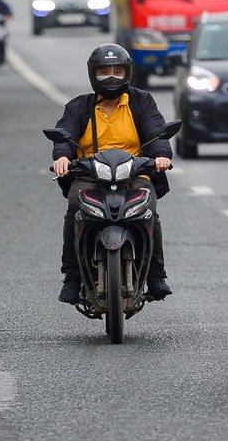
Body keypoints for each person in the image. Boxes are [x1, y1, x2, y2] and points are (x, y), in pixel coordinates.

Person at [51, 43, 174, 304]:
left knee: (149, 211)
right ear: (92, 74)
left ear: (127, 73)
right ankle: (72, 277)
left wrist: (161, 156)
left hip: (134, 173)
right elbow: (65, 135)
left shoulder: (142, 101)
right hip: (89, 175)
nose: (110, 77)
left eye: (117, 71)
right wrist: (62, 157)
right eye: (103, 71)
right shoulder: (78, 106)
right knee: (75, 210)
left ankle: (156, 275)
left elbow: (156, 132)